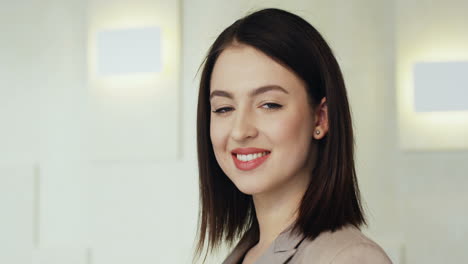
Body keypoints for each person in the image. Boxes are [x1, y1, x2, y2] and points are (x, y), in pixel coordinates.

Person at [194, 8, 392, 264]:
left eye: (269, 104)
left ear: (320, 118)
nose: (240, 131)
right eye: (224, 108)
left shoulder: (348, 258)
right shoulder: (246, 253)